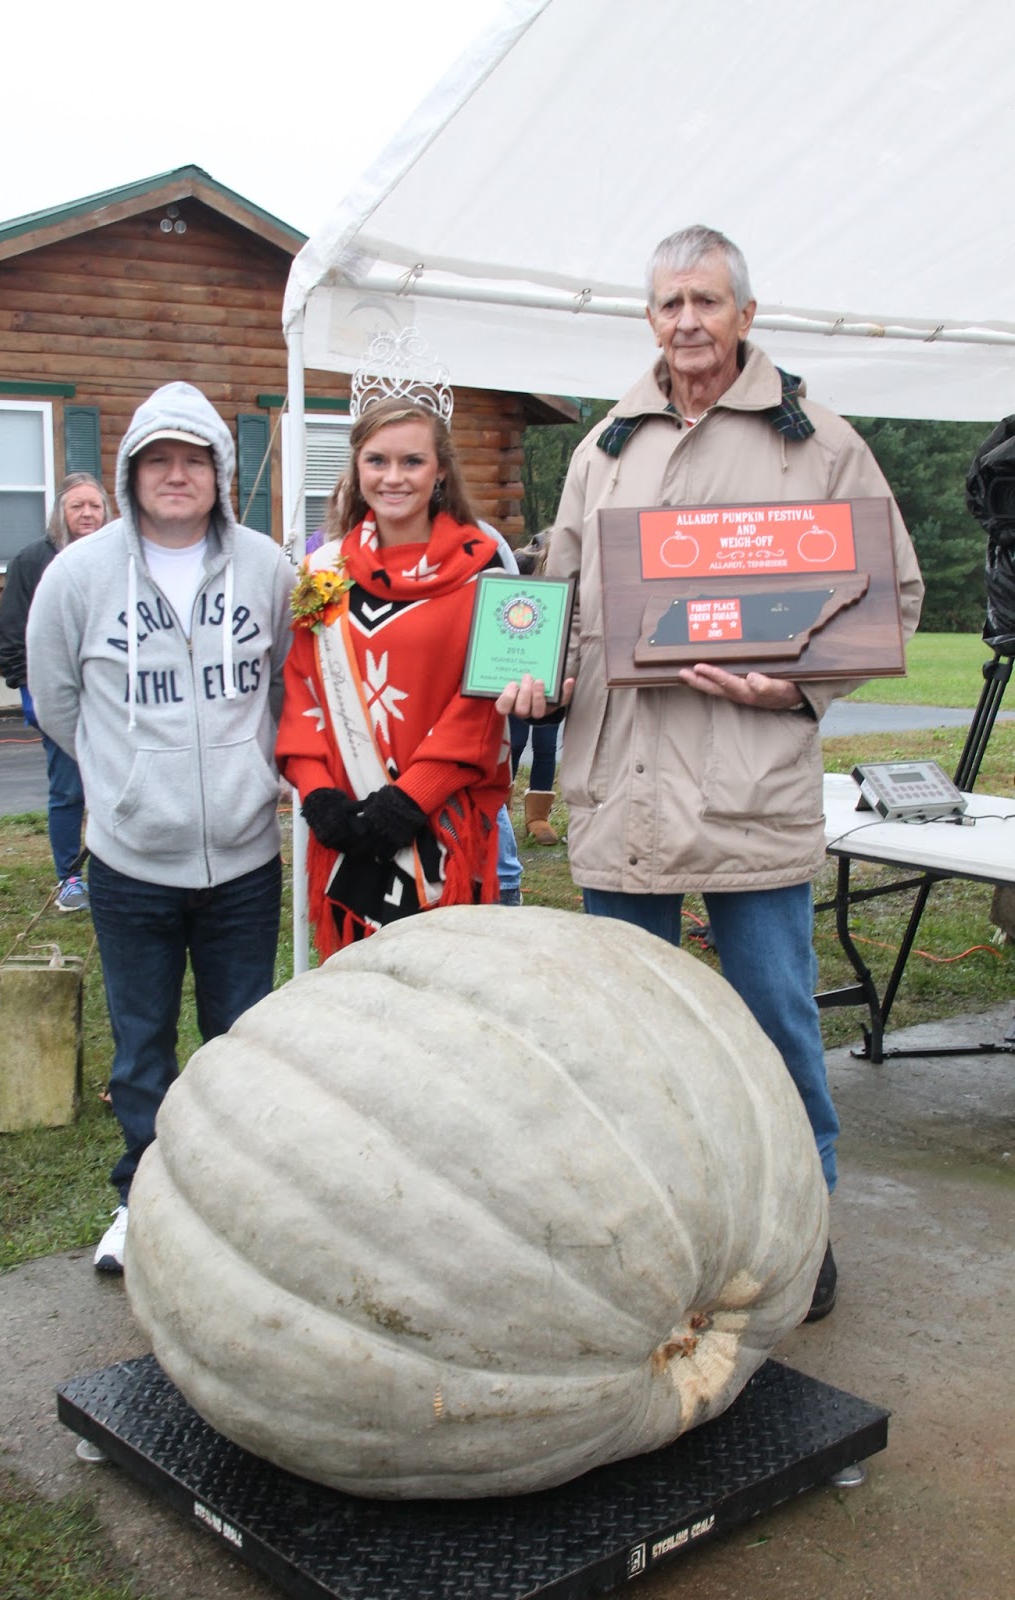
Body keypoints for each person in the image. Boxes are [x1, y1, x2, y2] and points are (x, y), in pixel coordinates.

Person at [500, 225, 924, 1321]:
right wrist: (524, 672)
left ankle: (802, 1232)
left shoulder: (817, 441)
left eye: (705, 300)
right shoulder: (602, 447)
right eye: (666, 303)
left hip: (746, 783)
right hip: (621, 783)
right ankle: (655, 1241)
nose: (685, 320)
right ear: (648, 319)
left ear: (743, 314)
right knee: (628, 1035)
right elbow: (555, 590)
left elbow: (894, 595)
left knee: (775, 1022)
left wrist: (793, 689)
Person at [27, 382, 295, 1273]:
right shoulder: (78, 577)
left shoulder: (266, 569)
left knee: (241, 1036)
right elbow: (59, 704)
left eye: (193, 460)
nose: (175, 476)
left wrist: (251, 781)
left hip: (246, 861)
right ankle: (141, 1199)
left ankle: (236, 1202)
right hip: (132, 861)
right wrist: (126, 784)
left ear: (220, 472)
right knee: (142, 1045)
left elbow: (290, 687)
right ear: (131, 470)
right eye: (158, 460)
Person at [276, 395, 510, 960]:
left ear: (441, 471)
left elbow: (481, 705)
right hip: (347, 824)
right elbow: (302, 687)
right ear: (357, 471)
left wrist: (411, 798)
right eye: (377, 461)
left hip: (442, 824)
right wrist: (318, 793)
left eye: (412, 461)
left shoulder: (485, 569)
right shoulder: (323, 570)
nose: (393, 478)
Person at [0, 473, 112, 911]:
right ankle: (69, 879)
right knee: (68, 790)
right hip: (58, 695)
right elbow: (9, 630)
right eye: (77, 506)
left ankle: (112, 871)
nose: (86, 514)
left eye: (94, 506)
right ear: (60, 513)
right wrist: (28, 687)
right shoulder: (33, 562)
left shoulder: (118, 558)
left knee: (111, 786)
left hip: (112, 697)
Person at [510, 530, 561, 846]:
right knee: (513, 742)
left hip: (552, 669)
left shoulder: (576, 575)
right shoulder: (522, 563)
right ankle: (500, 808)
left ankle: (537, 817)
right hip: (516, 664)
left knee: (545, 744)